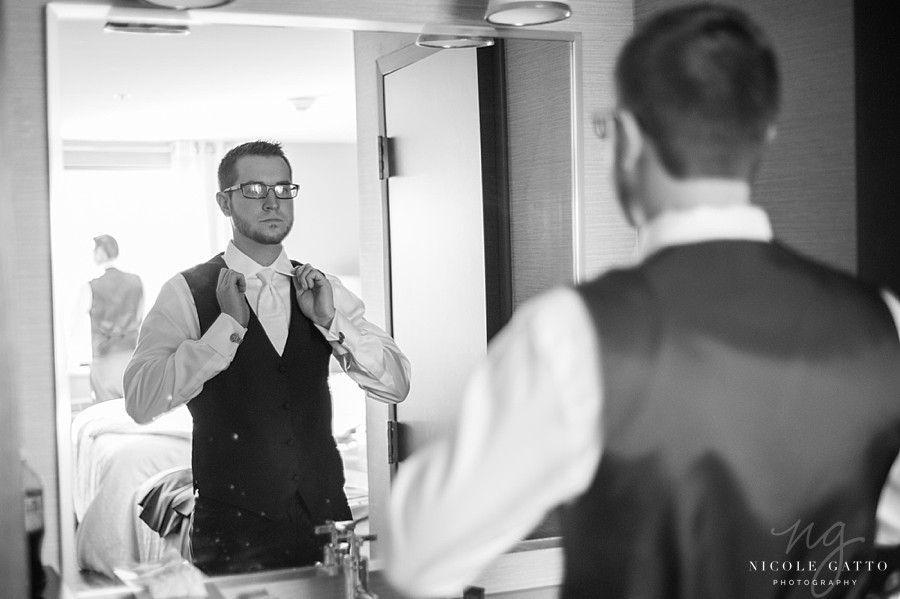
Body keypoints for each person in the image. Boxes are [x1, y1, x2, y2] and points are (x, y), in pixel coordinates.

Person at [385, 4, 900, 599]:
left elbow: (418, 557)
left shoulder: (574, 334)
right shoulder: (882, 321)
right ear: (763, 136)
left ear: (627, 136)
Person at [124, 140, 410, 575]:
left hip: (326, 522)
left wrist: (332, 322)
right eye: (255, 189)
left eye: (283, 188)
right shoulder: (185, 292)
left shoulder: (321, 288)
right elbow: (140, 402)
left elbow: (396, 383)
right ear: (225, 202)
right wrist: (227, 329)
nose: (273, 201)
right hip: (231, 532)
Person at [86, 234, 143, 403]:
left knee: (106, 417)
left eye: (94, 251)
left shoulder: (91, 286)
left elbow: (75, 329)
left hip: (105, 360)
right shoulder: (136, 282)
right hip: (133, 357)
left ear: (102, 252)